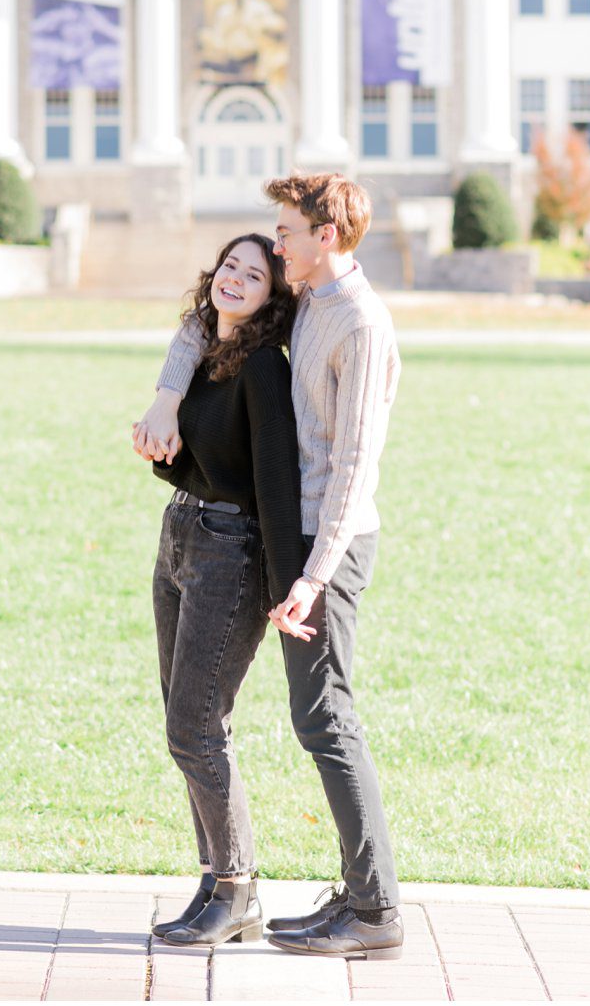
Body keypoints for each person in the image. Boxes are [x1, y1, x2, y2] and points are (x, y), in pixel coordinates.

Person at [136, 172, 406, 962]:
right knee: (301, 718)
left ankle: (375, 907)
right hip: (293, 543)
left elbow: (353, 465)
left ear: (326, 235)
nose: (276, 242)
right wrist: (162, 395)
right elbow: (205, 323)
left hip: (328, 543)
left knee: (326, 718)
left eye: (286, 231)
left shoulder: (358, 321)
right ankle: (343, 898)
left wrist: (312, 577)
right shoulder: (310, 298)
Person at [147, 233, 305, 947]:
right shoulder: (204, 352)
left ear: (273, 298)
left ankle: (237, 886)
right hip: (180, 535)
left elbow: (274, 476)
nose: (236, 279)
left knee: (196, 725)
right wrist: (160, 440)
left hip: (231, 551)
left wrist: (287, 580)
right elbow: (196, 457)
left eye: (255, 274)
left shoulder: (263, 370)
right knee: (186, 722)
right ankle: (215, 878)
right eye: (230, 267)